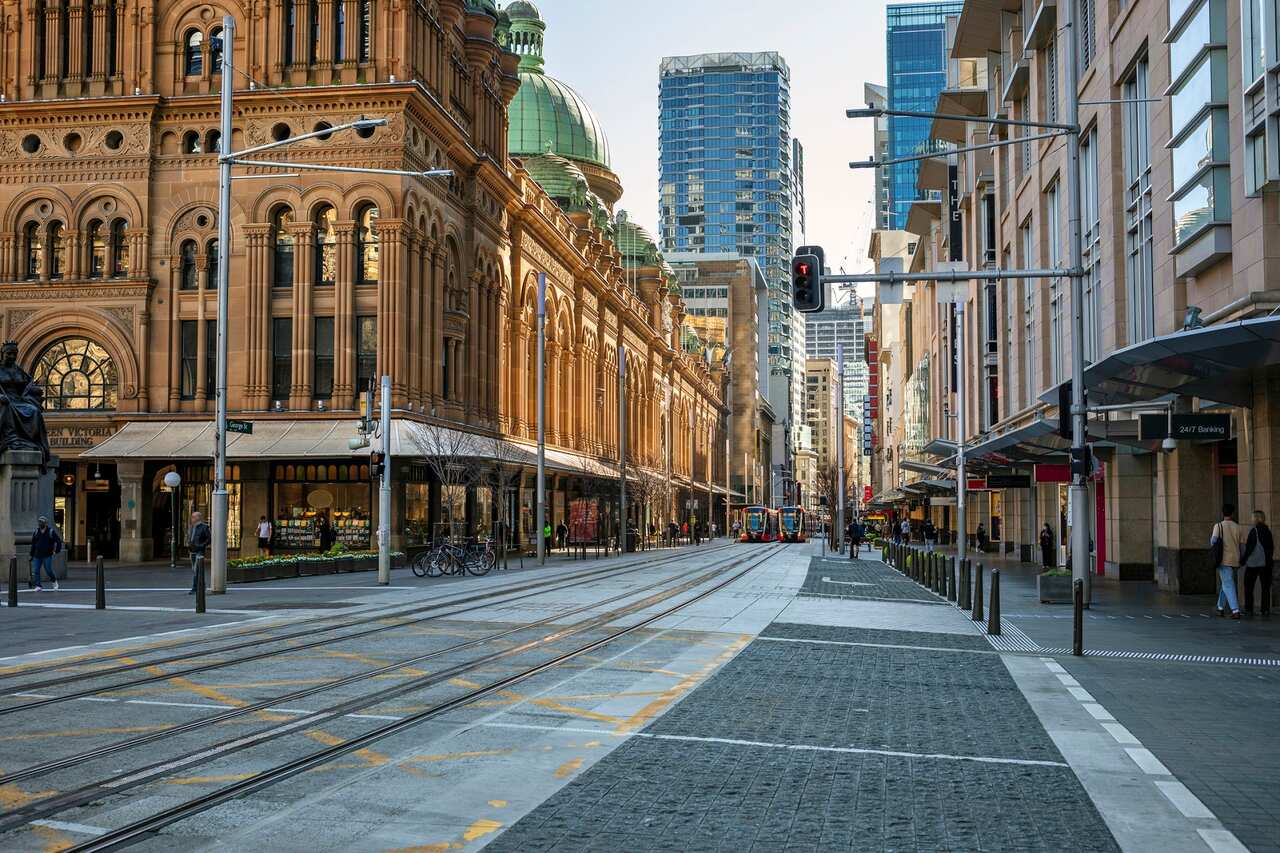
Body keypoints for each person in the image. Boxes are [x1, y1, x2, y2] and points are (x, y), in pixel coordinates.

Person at [1210, 504, 1245, 619]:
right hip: (1235, 559)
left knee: (1228, 584)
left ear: (1222, 513)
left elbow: (1213, 542)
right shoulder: (1238, 527)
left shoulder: (1218, 526)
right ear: (1232, 513)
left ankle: (1235, 610)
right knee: (1226, 583)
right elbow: (1242, 545)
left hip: (1223, 560)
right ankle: (1220, 607)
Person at [1241, 510, 1274, 617]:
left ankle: (1249, 609)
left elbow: (1249, 548)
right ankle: (1265, 609)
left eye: (1252, 517)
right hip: (1266, 564)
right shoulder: (1267, 531)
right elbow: (1271, 547)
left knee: (1248, 586)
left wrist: (1243, 560)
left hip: (1253, 564)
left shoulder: (1254, 531)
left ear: (1255, 518)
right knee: (1265, 587)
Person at [29, 516, 62, 591]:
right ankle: (38, 586)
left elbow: (58, 541)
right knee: (36, 570)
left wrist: (56, 551)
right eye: (39, 522)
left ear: (45, 523)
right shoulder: (36, 532)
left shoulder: (51, 531)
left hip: (47, 555)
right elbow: (33, 544)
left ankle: (54, 581)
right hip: (37, 555)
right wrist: (31, 555)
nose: (40, 523)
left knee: (48, 570)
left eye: (42, 522)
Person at [187, 511, 211, 594]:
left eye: (193, 517)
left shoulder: (204, 527)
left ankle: (195, 588)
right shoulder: (192, 527)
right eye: (192, 517)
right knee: (195, 570)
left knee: (197, 569)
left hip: (199, 551)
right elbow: (190, 537)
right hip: (192, 551)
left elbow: (209, 539)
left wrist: (201, 546)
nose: (192, 518)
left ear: (198, 518)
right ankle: (202, 586)